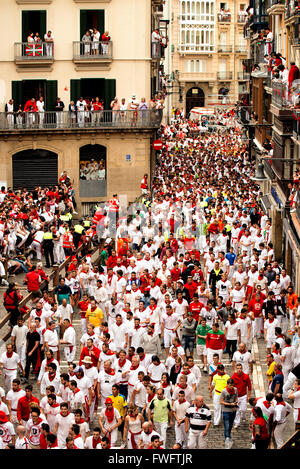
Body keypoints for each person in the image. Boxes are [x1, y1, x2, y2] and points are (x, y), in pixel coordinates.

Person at [220, 378, 238, 449]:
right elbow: (221, 401)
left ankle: (229, 436)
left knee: (230, 425)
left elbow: (236, 398)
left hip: (233, 410)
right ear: (227, 385)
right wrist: (230, 404)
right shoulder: (224, 391)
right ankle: (227, 439)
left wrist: (235, 404)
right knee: (226, 425)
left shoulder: (235, 390)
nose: (231, 387)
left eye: (232, 385)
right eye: (230, 385)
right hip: (226, 410)